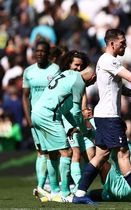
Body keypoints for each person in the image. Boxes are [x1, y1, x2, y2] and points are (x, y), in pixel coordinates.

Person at [72, 28, 131, 205]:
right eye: (122, 43)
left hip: (104, 115)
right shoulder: (108, 60)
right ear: (112, 43)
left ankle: (80, 193)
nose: (125, 45)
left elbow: (117, 87)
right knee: (123, 153)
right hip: (108, 117)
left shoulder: (107, 61)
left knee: (101, 156)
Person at [30, 66, 97, 202]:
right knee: (67, 152)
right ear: (93, 78)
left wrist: (74, 126)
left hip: (37, 112)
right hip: (49, 115)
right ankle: (66, 193)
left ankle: (54, 190)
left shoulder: (68, 74)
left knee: (53, 153)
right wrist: (85, 131)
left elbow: (66, 110)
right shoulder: (79, 83)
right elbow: (78, 112)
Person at [22, 40, 60, 200]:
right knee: (41, 152)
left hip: (51, 116)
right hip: (36, 118)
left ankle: (51, 187)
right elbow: (25, 97)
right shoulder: (28, 71)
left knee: (53, 152)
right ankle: (42, 186)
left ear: (48, 53)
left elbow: (59, 93)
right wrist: (28, 117)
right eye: (37, 51)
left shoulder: (55, 69)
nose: (40, 53)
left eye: (43, 51)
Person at [58, 50, 96, 193]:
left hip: (79, 119)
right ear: (69, 65)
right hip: (68, 119)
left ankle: (77, 186)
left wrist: (85, 111)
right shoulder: (65, 79)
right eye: (76, 65)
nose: (79, 68)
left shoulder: (80, 83)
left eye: (81, 66)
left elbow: (83, 103)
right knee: (75, 153)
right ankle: (75, 189)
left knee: (91, 155)